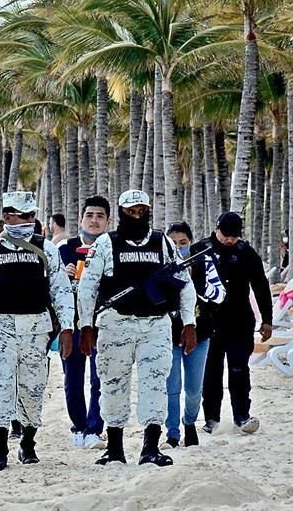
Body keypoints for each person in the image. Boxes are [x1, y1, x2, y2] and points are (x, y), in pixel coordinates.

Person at [77, 189, 197, 467]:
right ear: (121, 213)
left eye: (141, 210)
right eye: (131, 211)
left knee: (155, 383)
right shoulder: (106, 244)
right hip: (115, 323)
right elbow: (88, 287)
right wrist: (86, 326)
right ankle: (115, 449)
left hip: (155, 325)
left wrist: (189, 323)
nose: (136, 215)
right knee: (113, 384)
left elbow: (185, 285)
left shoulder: (163, 243)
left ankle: (151, 448)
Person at [0, 193, 74, 470]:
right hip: (0, 326)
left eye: (31, 216)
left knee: (33, 388)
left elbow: (60, 290)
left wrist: (68, 328)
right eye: (21, 216)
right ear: (8, 217)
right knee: (2, 386)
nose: (27, 221)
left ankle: (27, 444)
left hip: (37, 328)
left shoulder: (46, 249)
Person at [198, 211, 273, 435]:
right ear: (216, 229)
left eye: (234, 235)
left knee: (239, 370)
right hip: (210, 321)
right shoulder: (201, 251)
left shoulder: (246, 252)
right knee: (211, 372)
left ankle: (242, 416)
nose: (230, 239)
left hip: (240, 321)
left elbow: (261, 286)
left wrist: (267, 320)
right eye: (225, 235)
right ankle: (211, 419)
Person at [164, 222, 225, 448]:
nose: (179, 247)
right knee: (172, 387)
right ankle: (172, 432)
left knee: (193, 388)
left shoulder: (204, 261)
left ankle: (189, 422)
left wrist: (195, 287)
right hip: (168, 334)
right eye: (174, 243)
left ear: (190, 242)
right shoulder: (160, 264)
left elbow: (219, 293)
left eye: (183, 243)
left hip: (200, 333)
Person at [58, 196, 110, 448]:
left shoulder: (113, 248)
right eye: (89, 215)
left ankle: (94, 429)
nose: (94, 220)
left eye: (100, 216)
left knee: (100, 378)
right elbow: (51, 289)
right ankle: (78, 426)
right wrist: (64, 277)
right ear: (81, 219)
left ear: (108, 221)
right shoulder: (64, 249)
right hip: (72, 323)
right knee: (72, 378)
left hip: (104, 324)